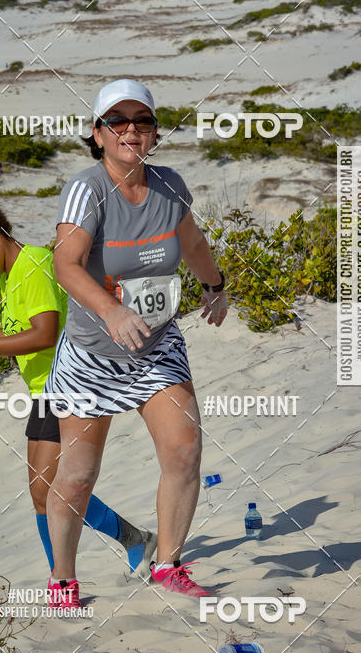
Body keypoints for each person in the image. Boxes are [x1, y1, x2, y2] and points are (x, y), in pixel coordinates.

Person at [44, 78, 228, 609]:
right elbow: (65, 264)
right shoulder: (87, 189)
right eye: (118, 121)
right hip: (92, 356)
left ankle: (167, 565)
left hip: (156, 346)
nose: (131, 130)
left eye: (142, 121)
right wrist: (110, 309)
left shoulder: (170, 185)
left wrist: (215, 286)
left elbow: (192, 243)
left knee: (184, 450)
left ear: (154, 132)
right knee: (78, 475)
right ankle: (62, 580)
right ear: (98, 133)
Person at [0, 199, 157, 582]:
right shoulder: (11, 277)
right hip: (45, 391)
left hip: (69, 383)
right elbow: (22, 330)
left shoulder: (34, 265)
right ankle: (129, 543)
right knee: (43, 493)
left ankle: (63, 580)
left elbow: (45, 334)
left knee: (54, 489)